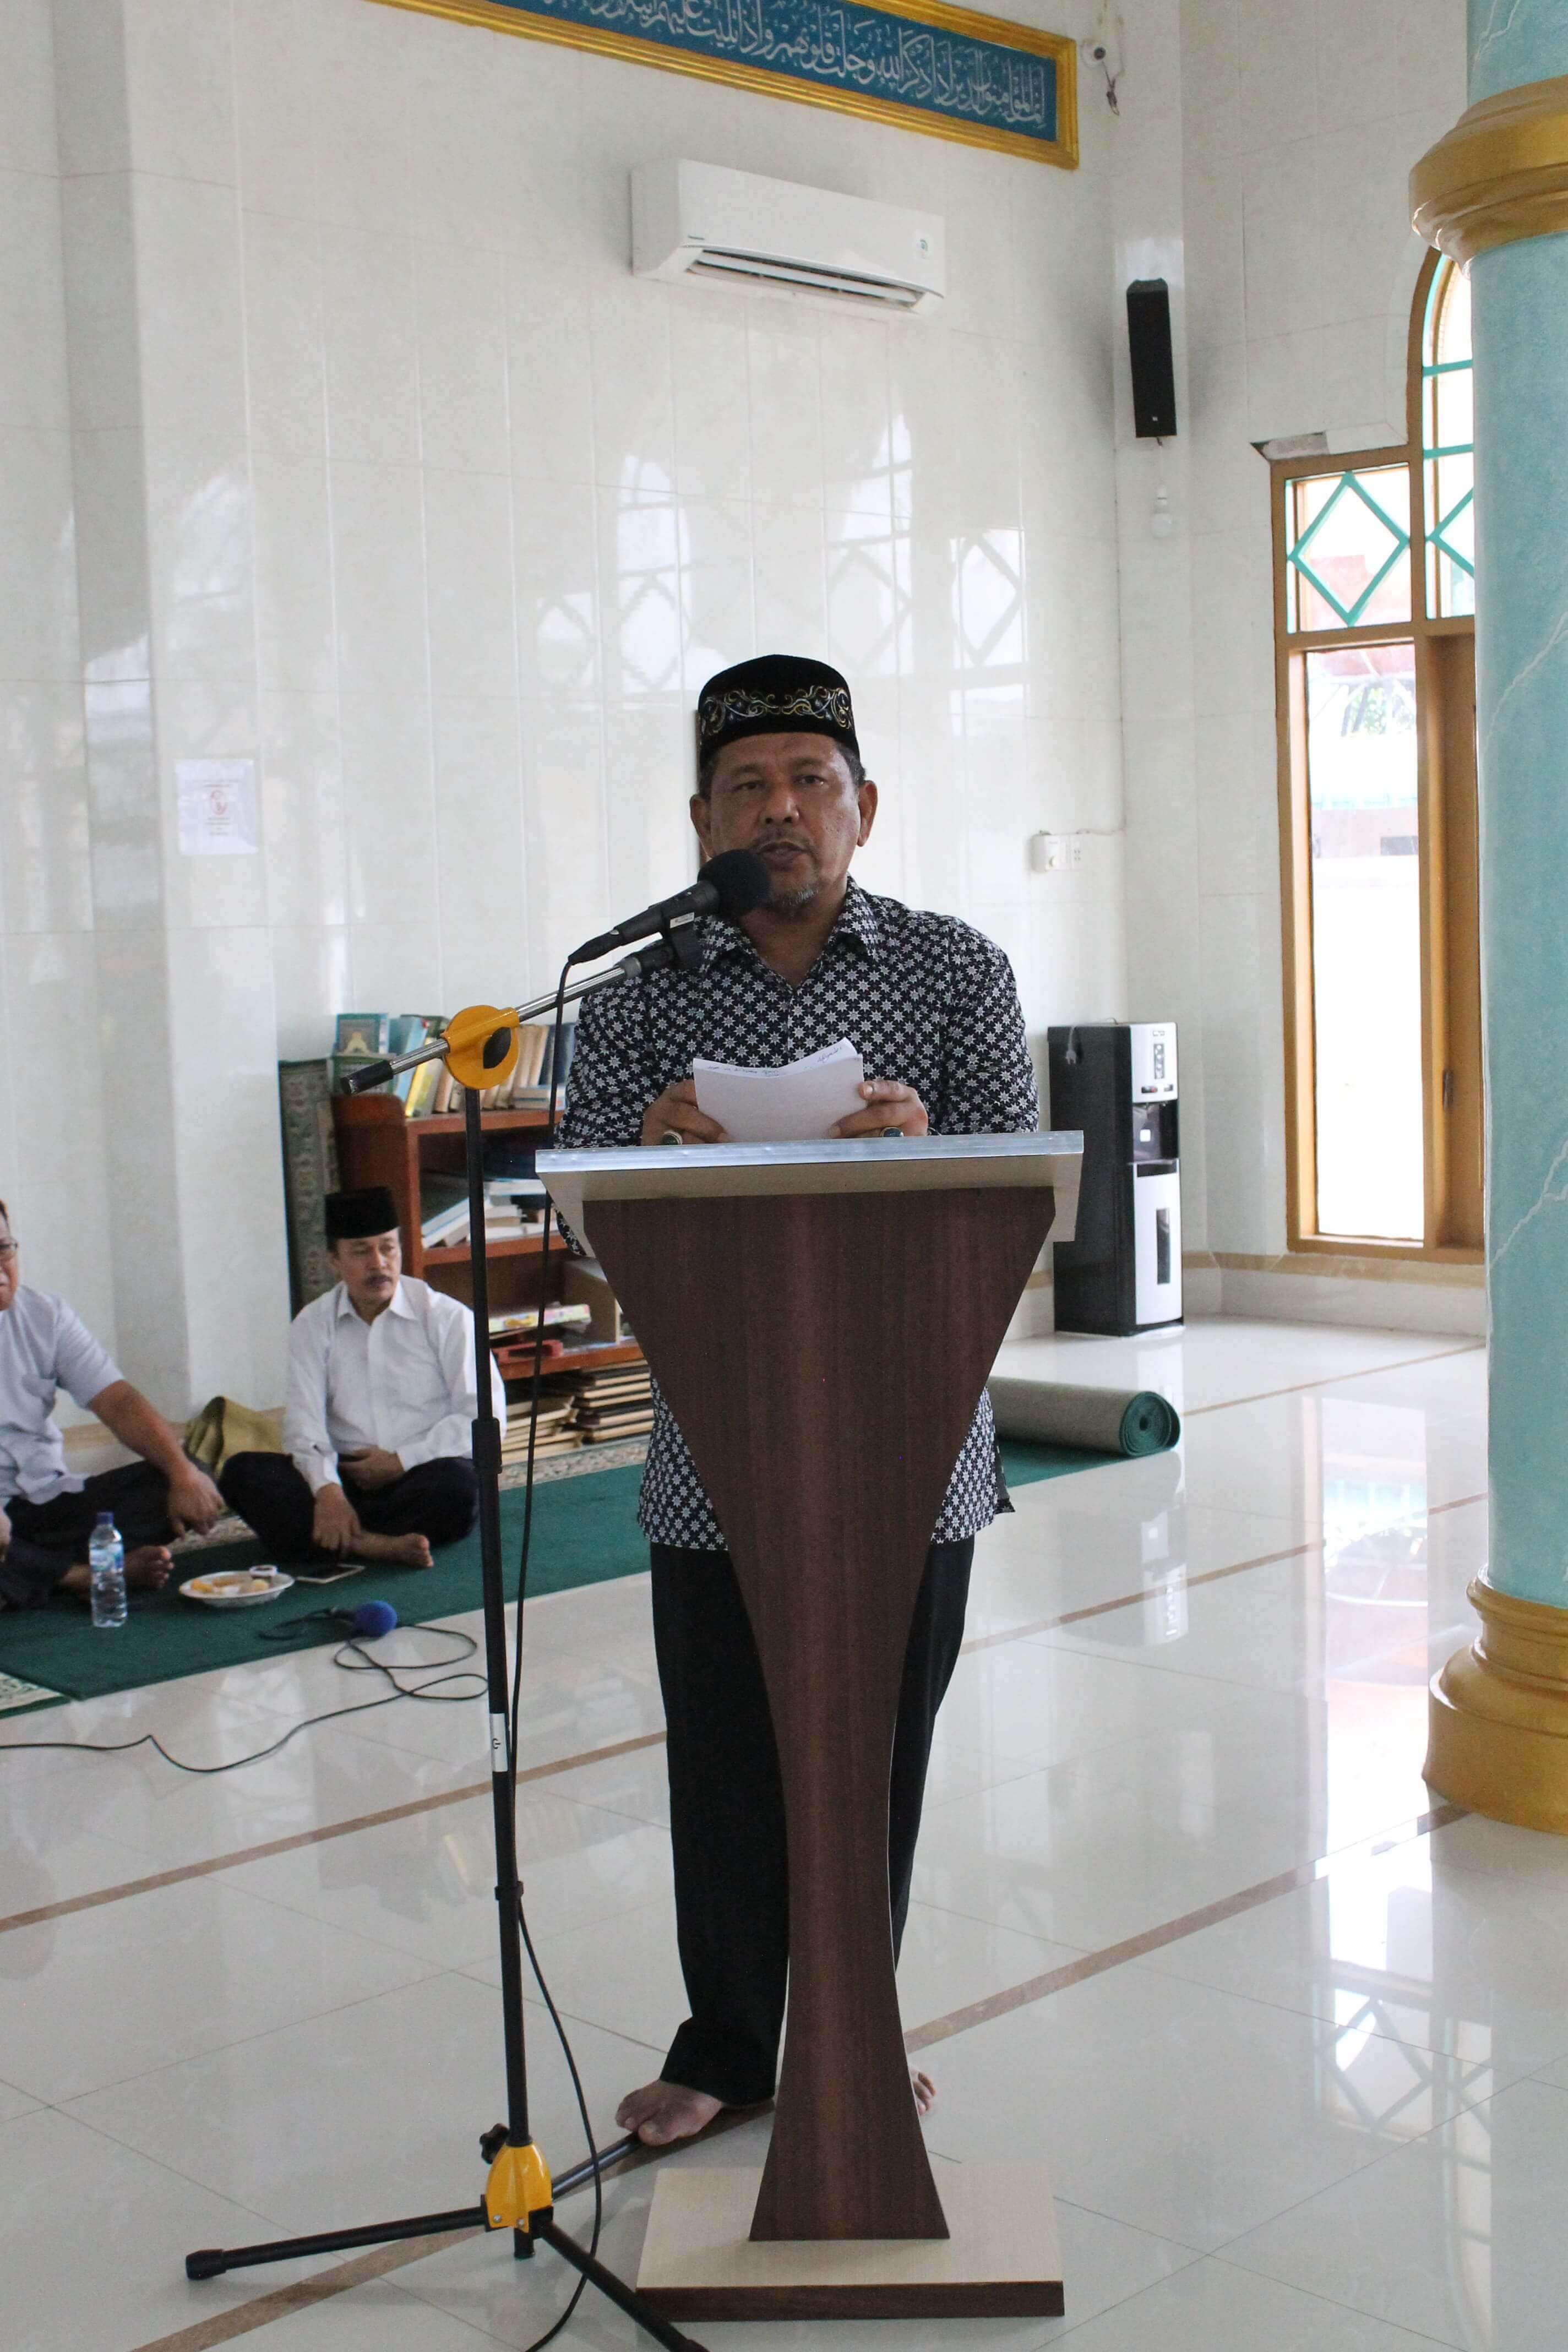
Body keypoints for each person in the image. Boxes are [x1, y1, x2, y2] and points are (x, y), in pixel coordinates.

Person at [559, 654, 1039, 2147]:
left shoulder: (955, 972)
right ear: (700, 820)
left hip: (911, 1437)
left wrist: (924, 1147)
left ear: (864, 807)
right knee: (723, 1759)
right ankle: (727, 2046)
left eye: (810, 782)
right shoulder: (636, 997)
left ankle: (849, 2033)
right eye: (748, 786)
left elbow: (1021, 1188)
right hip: (720, 1448)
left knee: (871, 1757)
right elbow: (583, 1230)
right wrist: (639, 1157)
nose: (781, 810)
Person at [219, 1186, 498, 1571]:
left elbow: (483, 1419)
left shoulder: (447, 1318)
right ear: (335, 1261)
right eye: (362, 1252)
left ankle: (333, 1541)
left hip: (420, 1472)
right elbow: (304, 1423)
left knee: (460, 1489)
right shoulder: (312, 1325)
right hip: (345, 1476)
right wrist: (327, 1490)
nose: (379, 1264)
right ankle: (375, 1545)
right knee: (243, 1474)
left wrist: (401, 1461)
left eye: (388, 1248)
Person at [0, 1197, 224, 1609]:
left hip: (46, 1499)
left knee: (181, 1477)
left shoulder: (45, 1316)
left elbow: (117, 1400)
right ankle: (83, 1575)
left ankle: (31, 1572)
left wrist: (181, 1473)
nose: (1, 1268)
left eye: (4, 1250)